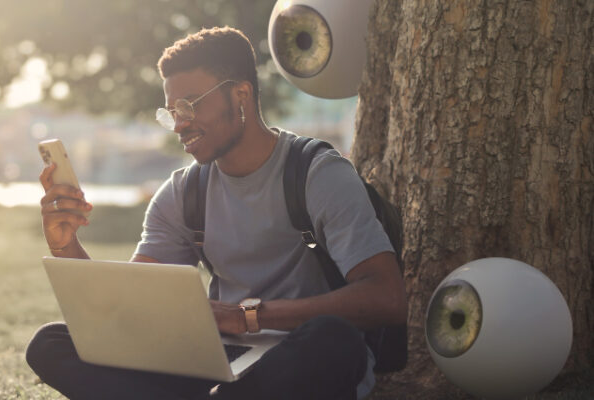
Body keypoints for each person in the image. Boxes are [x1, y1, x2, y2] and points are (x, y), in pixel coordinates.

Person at [28, 26, 407, 399]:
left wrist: (246, 318)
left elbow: (386, 298)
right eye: (171, 110)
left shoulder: (318, 175)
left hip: (296, 360)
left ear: (240, 95)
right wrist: (67, 246)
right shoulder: (182, 193)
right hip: (213, 363)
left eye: (189, 105)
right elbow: (131, 312)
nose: (179, 123)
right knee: (51, 343)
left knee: (334, 340)